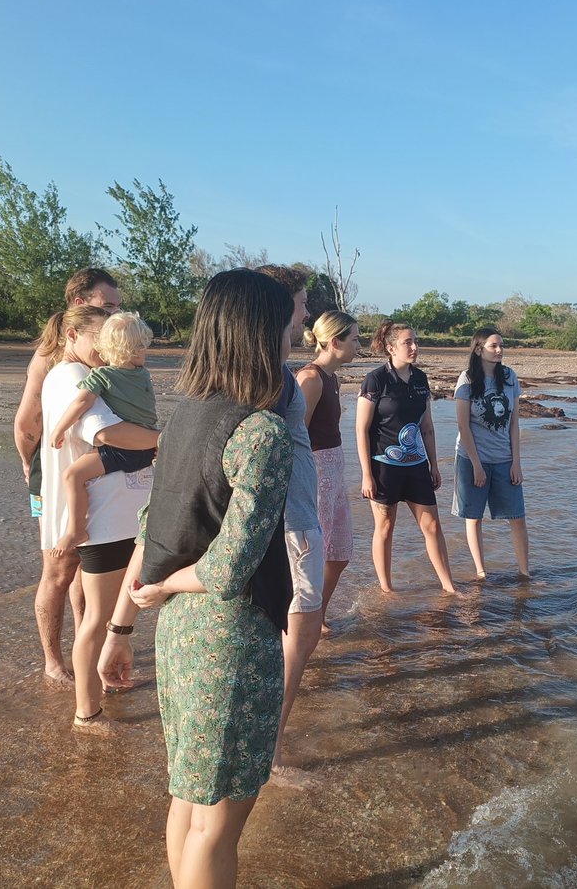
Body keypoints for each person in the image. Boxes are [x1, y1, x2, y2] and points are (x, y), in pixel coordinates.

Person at [98, 269, 295, 887]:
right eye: (286, 326)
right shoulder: (262, 430)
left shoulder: (184, 418)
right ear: (262, 336)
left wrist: (121, 626)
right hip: (228, 639)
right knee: (219, 826)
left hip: (180, 639)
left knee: (188, 800)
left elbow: (152, 530)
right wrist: (165, 587)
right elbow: (230, 565)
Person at [37, 305, 158, 734]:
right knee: (95, 616)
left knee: (113, 609)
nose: (108, 351)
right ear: (73, 336)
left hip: (124, 512)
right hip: (105, 517)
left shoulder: (108, 374)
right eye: (100, 339)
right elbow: (109, 434)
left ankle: (103, 681)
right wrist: (170, 440)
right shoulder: (72, 376)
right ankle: (86, 712)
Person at [14, 267, 122, 686]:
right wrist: (31, 467)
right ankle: (52, 660)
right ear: (80, 304)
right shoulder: (51, 354)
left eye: (116, 306)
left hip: (96, 468)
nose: (115, 312)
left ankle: (85, 642)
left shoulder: (106, 347)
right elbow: (27, 421)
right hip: (54, 471)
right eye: (106, 305)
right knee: (59, 566)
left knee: (87, 563)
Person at [255, 265, 325, 781]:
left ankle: (267, 743)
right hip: (291, 525)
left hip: (295, 521)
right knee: (297, 637)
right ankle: (270, 749)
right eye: (302, 303)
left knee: (297, 635)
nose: (307, 312)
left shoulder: (274, 374)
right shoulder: (273, 378)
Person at [357, 320, 456, 594]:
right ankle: (387, 589)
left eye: (415, 341)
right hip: (383, 467)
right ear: (390, 348)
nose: (414, 347)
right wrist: (366, 474)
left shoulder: (421, 379)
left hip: (416, 466)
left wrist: (434, 464)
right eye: (407, 342)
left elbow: (427, 427)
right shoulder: (375, 380)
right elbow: (361, 429)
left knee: (433, 526)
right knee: (385, 527)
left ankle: (449, 586)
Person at [48, 312, 158, 556]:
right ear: (138, 349)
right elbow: (148, 411)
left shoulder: (102, 376)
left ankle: (75, 530)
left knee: (73, 475)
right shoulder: (143, 376)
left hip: (122, 450)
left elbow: (80, 404)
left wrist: (59, 428)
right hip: (145, 448)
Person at [297, 311, 361, 634]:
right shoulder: (310, 379)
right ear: (335, 342)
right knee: (313, 556)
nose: (359, 345)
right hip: (316, 472)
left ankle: (316, 615)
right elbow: (295, 435)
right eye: (355, 339)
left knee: (339, 553)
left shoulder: (333, 378)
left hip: (335, 471)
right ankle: (301, 623)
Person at [453, 328, 529, 579]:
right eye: (493, 346)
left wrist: (516, 462)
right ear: (478, 349)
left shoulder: (509, 376)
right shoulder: (467, 379)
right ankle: (481, 571)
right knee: (473, 517)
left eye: (501, 346)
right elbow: (463, 426)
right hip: (471, 458)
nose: (499, 350)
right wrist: (476, 465)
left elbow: (515, 423)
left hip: (504, 458)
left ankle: (524, 572)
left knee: (517, 516)